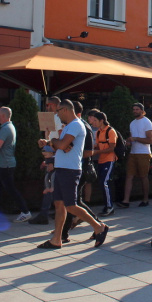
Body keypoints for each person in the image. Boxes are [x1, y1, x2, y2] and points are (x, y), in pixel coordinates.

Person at [37, 100, 109, 249]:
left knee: (71, 205)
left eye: (58, 111)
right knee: (59, 204)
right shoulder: (69, 126)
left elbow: (62, 145)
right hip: (62, 167)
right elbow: (62, 147)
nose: (56, 114)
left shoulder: (76, 125)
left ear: (65, 110)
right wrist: (52, 143)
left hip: (70, 170)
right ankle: (56, 239)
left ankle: (99, 227)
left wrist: (54, 142)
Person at [62, 101, 101, 242]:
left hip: (81, 168)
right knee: (72, 202)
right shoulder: (72, 126)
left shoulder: (82, 126)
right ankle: (63, 233)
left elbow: (89, 151)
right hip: (74, 167)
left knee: (73, 203)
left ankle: (99, 226)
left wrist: (72, 152)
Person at [0, 107, 31, 222]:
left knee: (10, 189)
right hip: (4, 164)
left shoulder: (5, 129)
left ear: (3, 116)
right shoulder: (9, 127)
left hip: (5, 165)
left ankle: (25, 211)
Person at [29, 96, 63, 225]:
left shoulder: (59, 118)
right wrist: (44, 143)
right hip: (51, 154)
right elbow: (49, 136)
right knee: (51, 185)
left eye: (48, 104)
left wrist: (52, 155)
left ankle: (45, 213)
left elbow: (60, 137)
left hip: (55, 155)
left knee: (49, 185)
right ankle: (54, 211)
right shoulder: (51, 118)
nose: (47, 107)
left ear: (53, 105)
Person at [118, 103, 152, 208]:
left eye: (137, 109)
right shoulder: (132, 123)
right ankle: (126, 201)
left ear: (142, 111)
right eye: (134, 109)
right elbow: (131, 138)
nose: (135, 111)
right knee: (129, 176)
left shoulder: (147, 122)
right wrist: (128, 142)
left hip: (144, 153)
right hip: (133, 152)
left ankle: (146, 199)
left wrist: (136, 139)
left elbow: (150, 140)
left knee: (143, 176)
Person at [86, 109, 117, 217]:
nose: (93, 123)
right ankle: (107, 205)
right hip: (101, 160)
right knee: (102, 183)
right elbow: (99, 145)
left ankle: (109, 206)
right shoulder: (99, 132)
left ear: (101, 120)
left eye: (95, 120)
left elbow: (112, 148)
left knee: (104, 182)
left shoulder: (111, 131)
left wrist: (96, 151)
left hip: (109, 160)